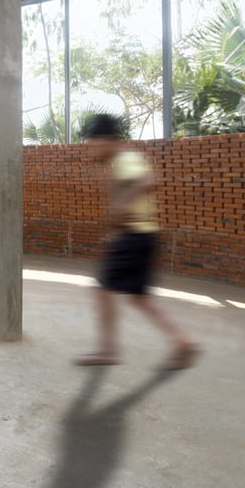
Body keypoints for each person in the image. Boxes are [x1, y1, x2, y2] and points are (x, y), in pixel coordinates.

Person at [75, 114, 200, 370]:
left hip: (133, 237)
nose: (90, 149)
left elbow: (150, 180)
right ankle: (183, 342)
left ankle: (107, 351)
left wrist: (122, 202)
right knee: (139, 298)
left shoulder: (124, 159)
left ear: (107, 139)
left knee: (103, 291)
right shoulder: (122, 161)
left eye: (93, 143)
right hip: (141, 236)